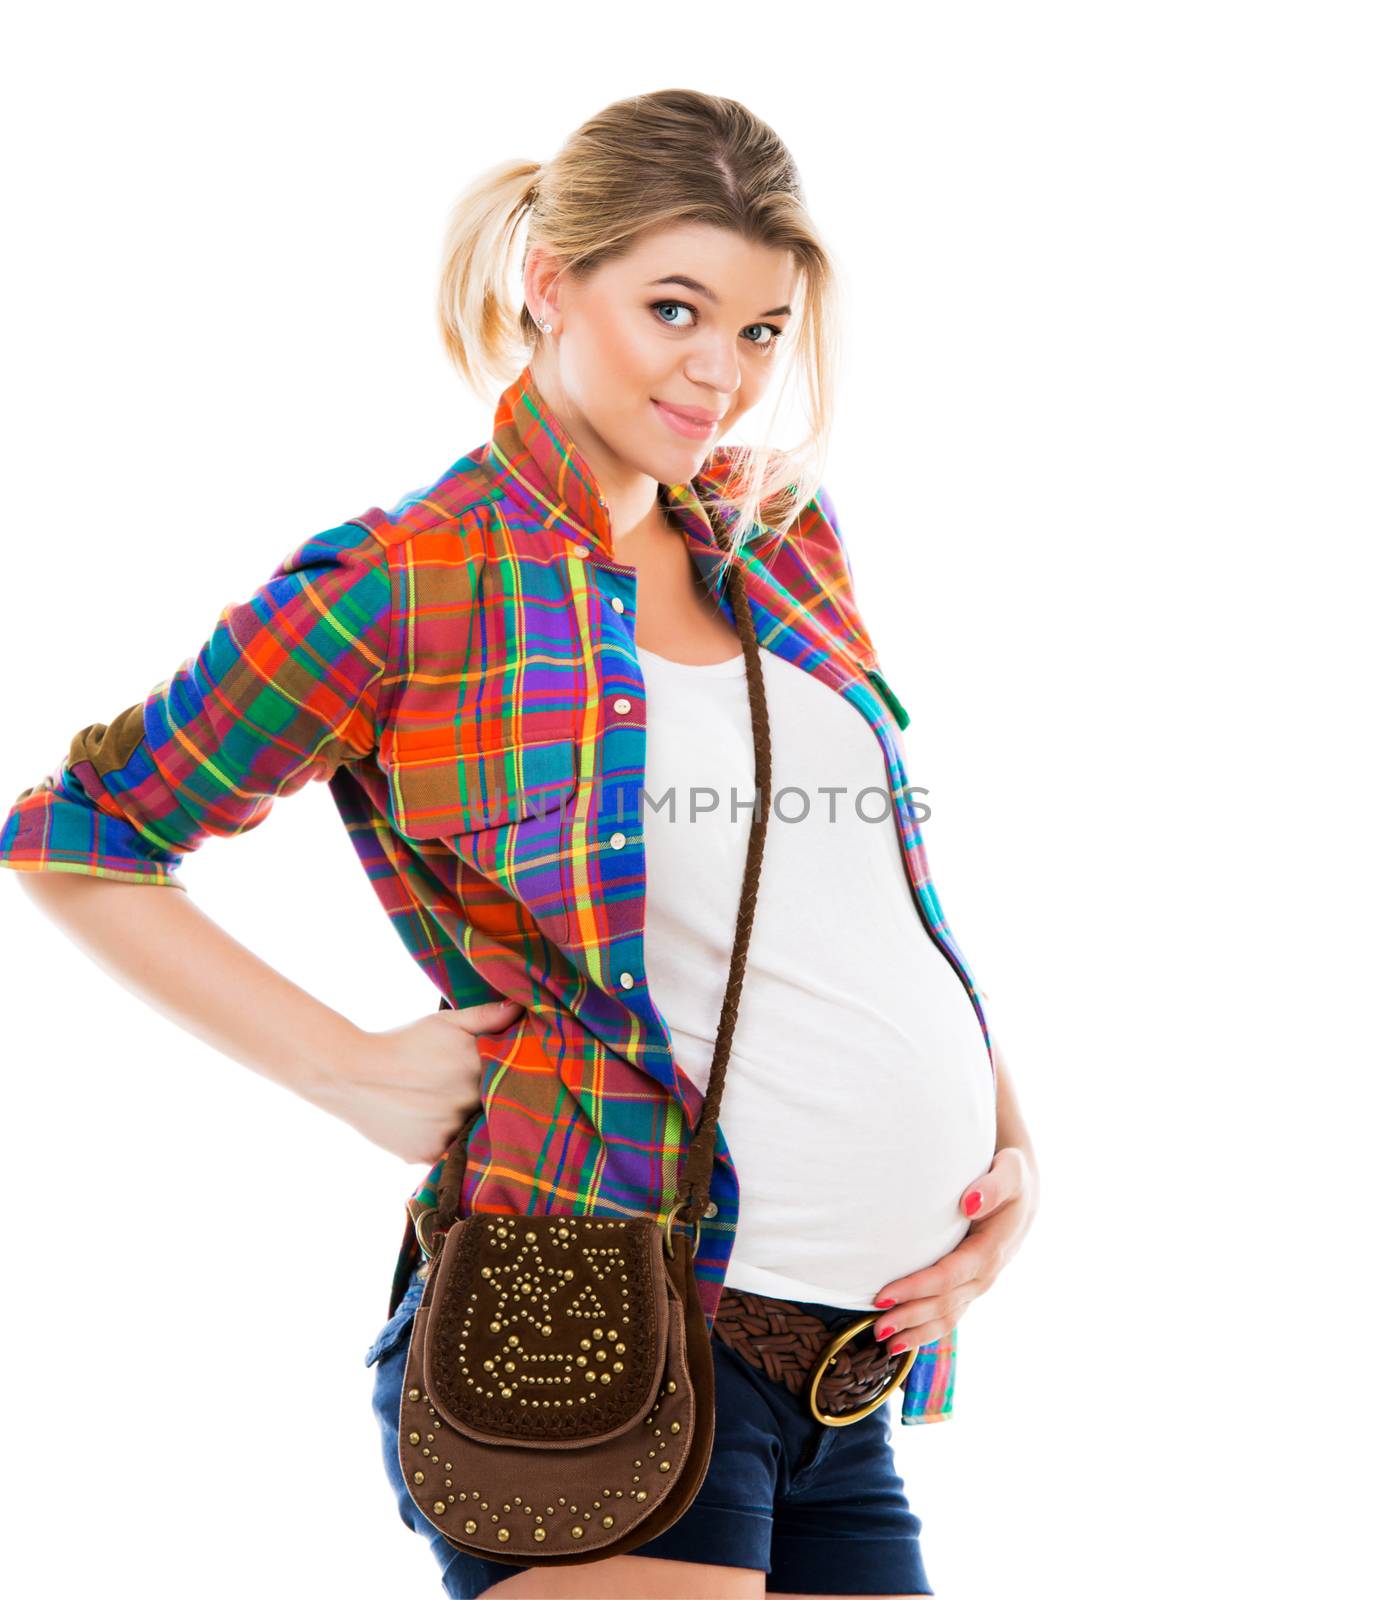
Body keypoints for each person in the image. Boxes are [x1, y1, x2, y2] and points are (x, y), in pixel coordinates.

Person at [0, 87, 1039, 1599]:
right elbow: (78, 834)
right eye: (674, 307)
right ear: (550, 285)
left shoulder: (779, 532)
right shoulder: (410, 578)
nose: (720, 372)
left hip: (839, 1369)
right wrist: (343, 1067)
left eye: (759, 330)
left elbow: (866, 898)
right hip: (588, 1323)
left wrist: (1004, 1149)